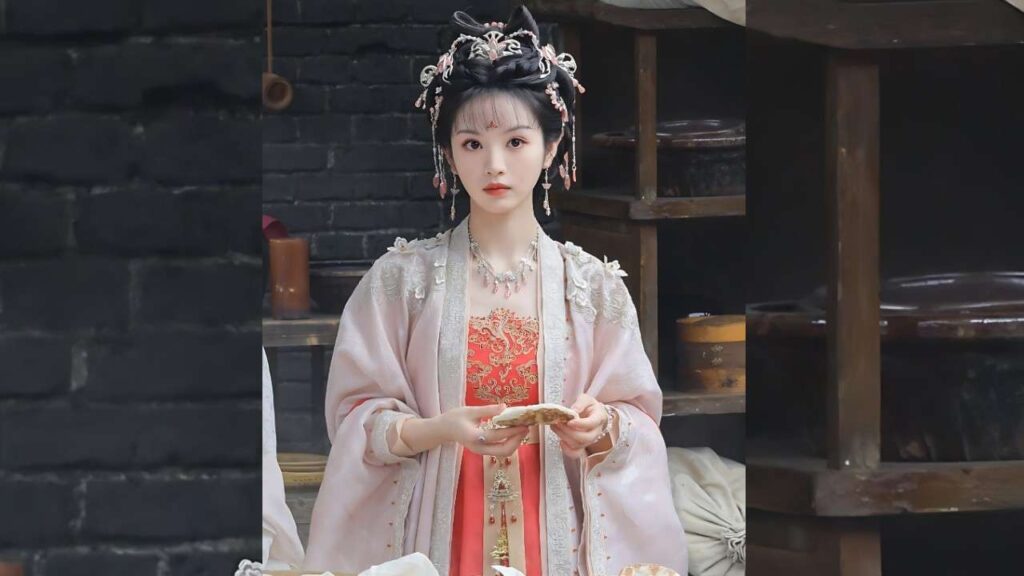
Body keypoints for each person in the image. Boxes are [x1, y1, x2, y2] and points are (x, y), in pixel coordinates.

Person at [304, 7, 686, 576]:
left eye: (515, 140)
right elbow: (356, 420)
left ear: (552, 148)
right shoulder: (401, 281)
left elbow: (638, 419)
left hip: (555, 533)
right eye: (473, 144)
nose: (495, 165)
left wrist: (600, 425)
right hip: (439, 532)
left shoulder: (594, 287)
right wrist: (441, 428)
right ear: (449, 153)